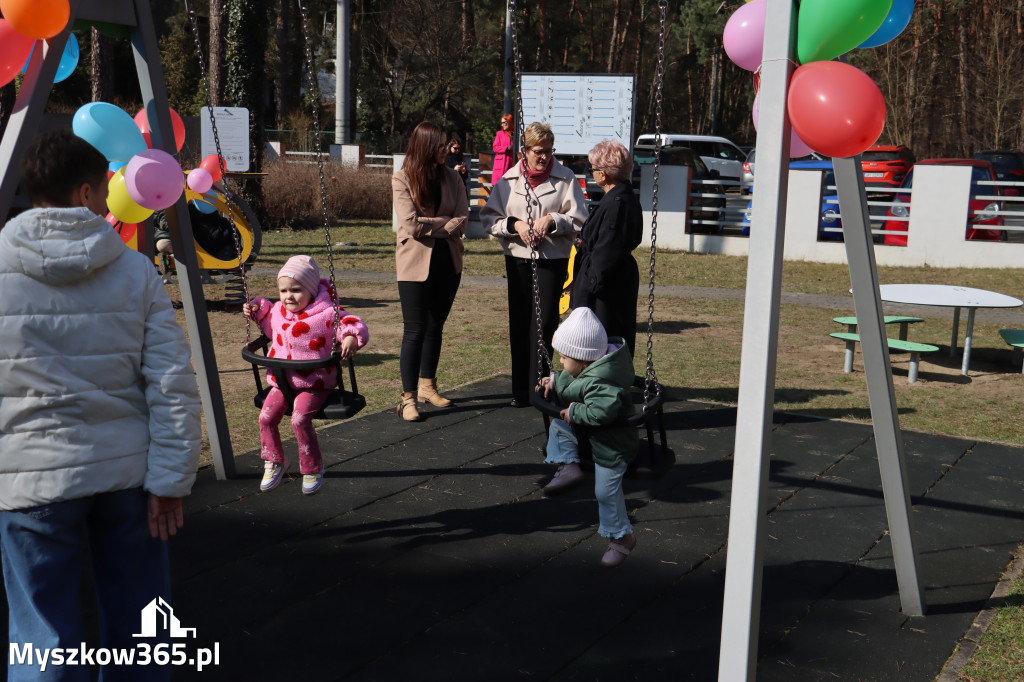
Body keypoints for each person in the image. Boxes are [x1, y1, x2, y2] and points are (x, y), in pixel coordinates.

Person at [0, 128, 201, 679]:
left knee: (44, 639)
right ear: (88, 193)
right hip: (126, 476)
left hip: (30, 480)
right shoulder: (135, 272)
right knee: (141, 631)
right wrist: (170, 479)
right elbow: (171, 383)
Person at [481, 121, 588, 407]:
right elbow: (489, 219)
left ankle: (539, 386)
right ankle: (520, 390)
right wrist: (515, 225)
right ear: (524, 151)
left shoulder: (565, 178)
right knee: (519, 323)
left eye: (549, 151)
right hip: (517, 259)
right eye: (538, 151)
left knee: (544, 324)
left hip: (552, 260)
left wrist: (552, 220)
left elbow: (580, 219)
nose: (544, 157)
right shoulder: (508, 181)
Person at [243, 255, 369, 494]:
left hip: (314, 383)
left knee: (299, 420)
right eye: (283, 290)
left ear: (311, 291)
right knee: (266, 418)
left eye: (296, 290)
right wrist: (255, 309)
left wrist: (351, 336)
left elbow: (350, 322)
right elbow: (267, 318)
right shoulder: (279, 312)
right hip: (281, 382)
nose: (288, 296)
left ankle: (312, 468)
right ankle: (275, 461)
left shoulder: (326, 313)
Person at [537, 307, 639, 567]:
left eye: (563, 357)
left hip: (611, 445)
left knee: (605, 492)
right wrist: (555, 381)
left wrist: (575, 410)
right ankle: (568, 464)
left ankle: (621, 538)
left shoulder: (604, 381)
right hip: (592, 437)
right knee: (561, 423)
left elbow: (601, 410)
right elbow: (573, 383)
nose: (560, 362)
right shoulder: (589, 369)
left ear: (583, 360)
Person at [392, 121, 469, 421]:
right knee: (415, 330)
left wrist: (438, 225)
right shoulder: (402, 178)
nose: (446, 150)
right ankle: (408, 398)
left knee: (436, 327)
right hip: (414, 267)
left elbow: (462, 219)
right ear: (425, 146)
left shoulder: (453, 176)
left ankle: (427, 386)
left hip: (448, 263)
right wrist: (444, 223)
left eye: (447, 145)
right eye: (440, 145)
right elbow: (410, 224)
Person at [570, 140, 643, 356]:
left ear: (604, 173)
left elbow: (607, 251)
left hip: (606, 292)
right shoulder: (619, 198)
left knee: (602, 345)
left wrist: (588, 289)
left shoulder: (617, 203)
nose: (591, 173)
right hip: (609, 283)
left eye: (593, 168)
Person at [490, 114, 514, 186]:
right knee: (499, 185)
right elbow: (495, 148)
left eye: (504, 122)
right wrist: (507, 148)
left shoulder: (515, 133)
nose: (502, 125)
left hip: (511, 161)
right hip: (501, 163)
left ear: (509, 122)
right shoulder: (500, 134)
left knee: (511, 184)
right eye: (502, 123)